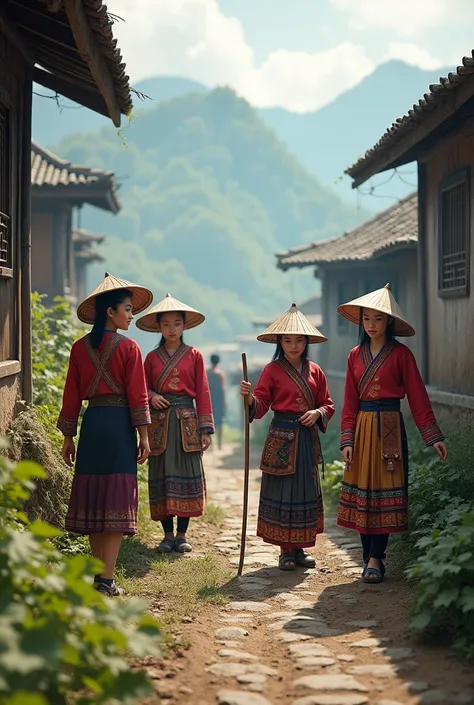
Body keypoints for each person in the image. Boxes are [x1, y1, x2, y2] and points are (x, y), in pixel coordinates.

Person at [337, 283, 448, 584]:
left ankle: (376, 558)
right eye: (367, 319)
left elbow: (417, 396)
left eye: (378, 319)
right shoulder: (353, 356)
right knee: (363, 495)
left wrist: (433, 436)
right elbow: (349, 400)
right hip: (361, 427)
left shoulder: (401, 355)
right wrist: (347, 439)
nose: (371, 325)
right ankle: (367, 556)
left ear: (389, 322)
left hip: (389, 431)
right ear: (360, 321)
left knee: (383, 495)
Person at [58, 272, 153, 597]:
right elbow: (138, 394)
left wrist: (68, 437)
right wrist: (144, 435)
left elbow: (70, 396)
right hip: (118, 425)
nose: (131, 314)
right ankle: (107, 581)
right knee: (113, 501)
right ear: (110, 312)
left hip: (93, 424)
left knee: (95, 499)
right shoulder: (129, 347)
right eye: (127, 309)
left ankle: (99, 578)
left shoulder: (79, 348)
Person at [240, 303, 334, 571]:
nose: (294, 345)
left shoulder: (316, 371)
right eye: (288, 340)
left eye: (299, 340)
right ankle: (285, 551)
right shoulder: (271, 370)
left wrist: (317, 412)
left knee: (304, 491)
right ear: (280, 341)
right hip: (280, 439)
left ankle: (301, 548)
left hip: (305, 439)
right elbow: (259, 407)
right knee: (283, 493)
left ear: (307, 342)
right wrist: (248, 396)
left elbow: (327, 403)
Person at [136, 293, 214, 554]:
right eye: (166, 324)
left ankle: (182, 534)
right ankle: (166, 535)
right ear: (158, 327)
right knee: (162, 476)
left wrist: (205, 429)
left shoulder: (195, 355)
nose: (172, 329)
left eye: (177, 324)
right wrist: (152, 395)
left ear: (184, 326)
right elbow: (140, 389)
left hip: (186, 422)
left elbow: (203, 392)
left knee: (187, 475)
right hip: (160, 424)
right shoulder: (150, 358)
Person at [207, 354, 226, 450]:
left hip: (209, 400)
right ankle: (219, 444)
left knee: (209, 421)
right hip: (218, 400)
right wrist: (224, 402)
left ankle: (210, 444)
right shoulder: (220, 374)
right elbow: (222, 389)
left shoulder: (207, 373)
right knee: (219, 422)